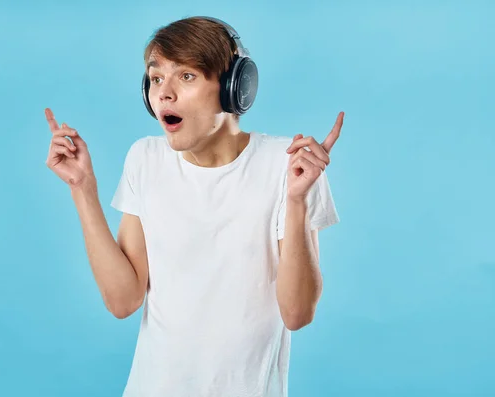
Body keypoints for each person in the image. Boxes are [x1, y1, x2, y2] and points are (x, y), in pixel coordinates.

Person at [45, 15, 343, 397]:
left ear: (235, 88)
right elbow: (123, 301)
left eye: (186, 76)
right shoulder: (145, 159)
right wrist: (82, 188)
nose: (164, 94)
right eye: (155, 79)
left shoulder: (288, 166)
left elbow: (298, 314)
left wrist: (297, 202)